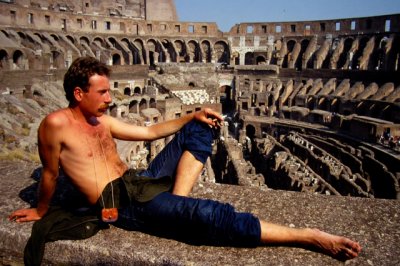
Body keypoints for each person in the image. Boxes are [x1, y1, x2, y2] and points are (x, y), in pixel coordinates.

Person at [9, 57, 361, 260]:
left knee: (202, 129)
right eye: (103, 92)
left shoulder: (100, 119)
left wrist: (192, 117)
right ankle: (307, 235)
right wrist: (41, 210)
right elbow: (51, 174)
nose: (110, 97)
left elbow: (148, 133)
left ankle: (174, 202)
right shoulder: (55, 125)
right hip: (121, 204)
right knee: (206, 215)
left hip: (138, 183)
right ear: (78, 92)